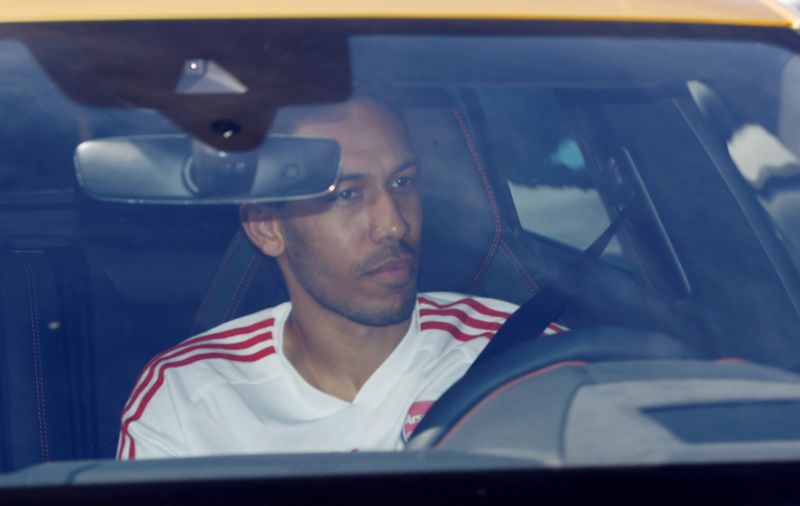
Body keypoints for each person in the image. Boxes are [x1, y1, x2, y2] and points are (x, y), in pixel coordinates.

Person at [117, 97, 561, 459]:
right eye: (347, 194)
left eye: (403, 183)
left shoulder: (529, 354)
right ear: (268, 227)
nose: (393, 225)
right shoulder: (191, 395)